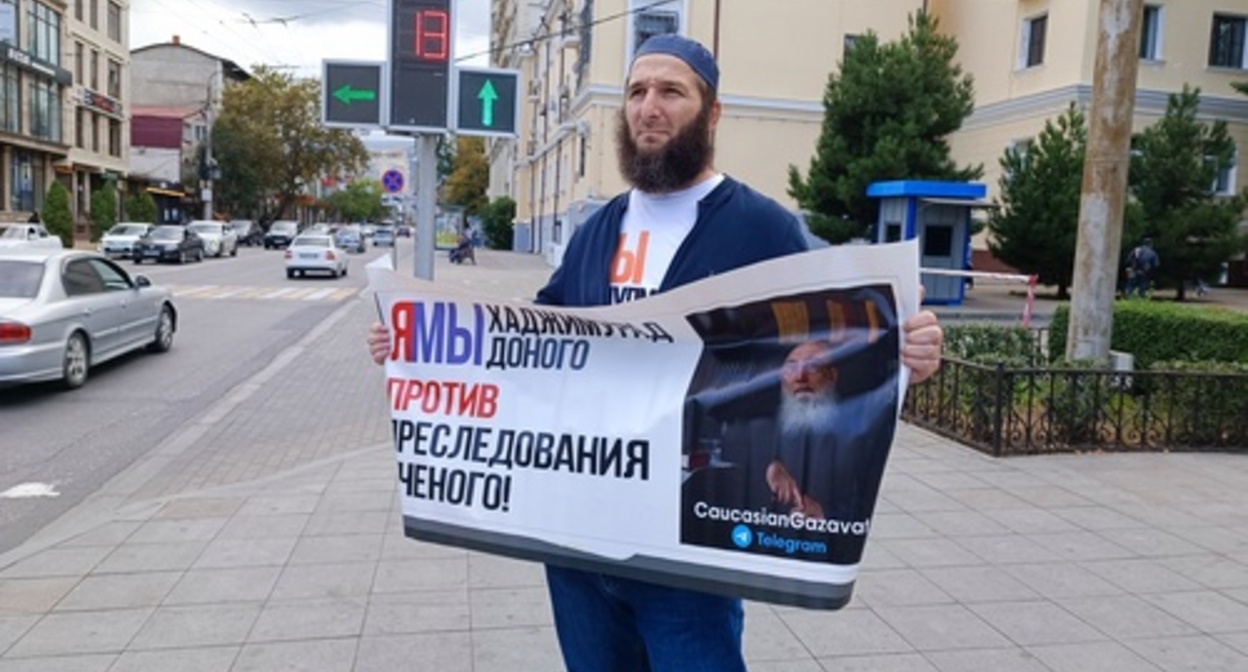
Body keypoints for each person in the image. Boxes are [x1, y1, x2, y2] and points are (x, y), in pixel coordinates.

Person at [368, 33, 944, 672]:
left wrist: (907, 349)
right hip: (577, 543)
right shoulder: (597, 229)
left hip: (689, 556)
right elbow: (528, 342)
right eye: (638, 92)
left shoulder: (764, 228)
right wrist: (418, 344)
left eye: (672, 91)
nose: (650, 107)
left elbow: (841, 330)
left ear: (712, 112)